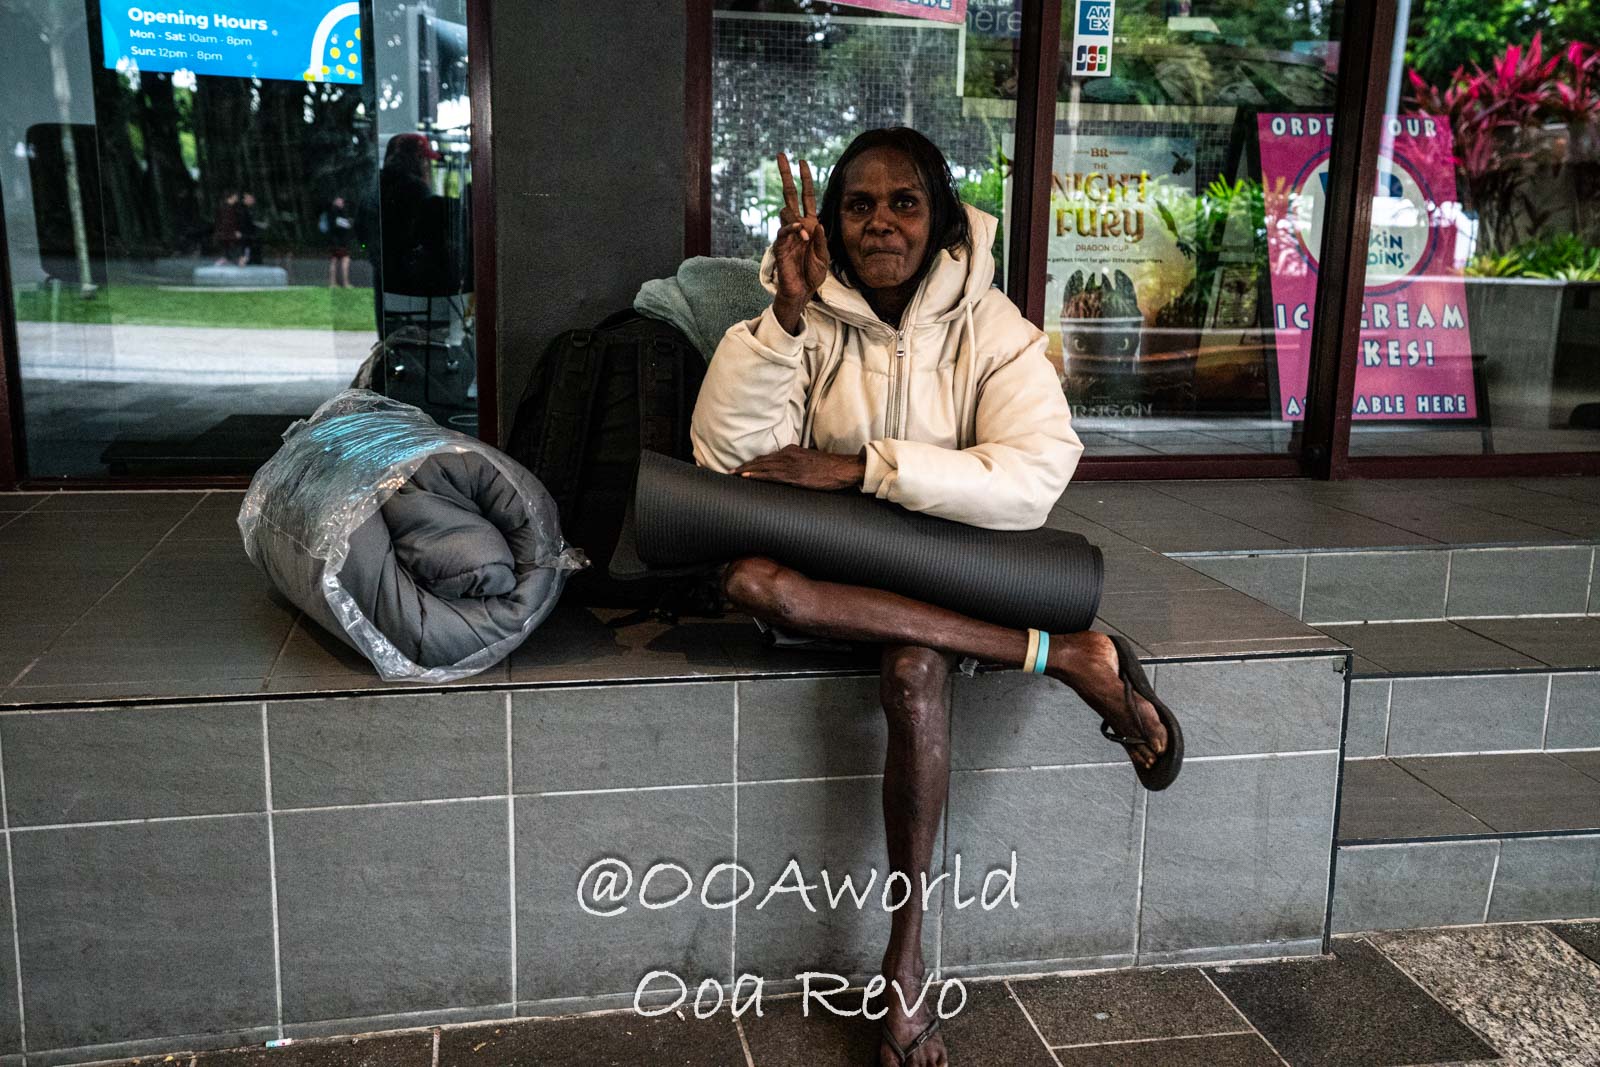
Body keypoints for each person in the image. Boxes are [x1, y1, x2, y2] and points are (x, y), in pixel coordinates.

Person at [690, 128, 1182, 1067]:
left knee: (917, 673)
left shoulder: (990, 326)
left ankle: (906, 963)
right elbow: (725, 458)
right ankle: (1064, 653)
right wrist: (784, 318)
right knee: (752, 581)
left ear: (943, 217)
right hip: (838, 580)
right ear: (830, 226)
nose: (881, 222)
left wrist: (860, 471)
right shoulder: (801, 316)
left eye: (903, 202)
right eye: (859, 205)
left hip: (949, 577)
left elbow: (1035, 473)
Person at [322, 195, 355, 288]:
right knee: (345, 260)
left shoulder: (330, 212)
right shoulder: (336, 213)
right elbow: (344, 225)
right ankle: (345, 283)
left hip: (334, 242)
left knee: (334, 261)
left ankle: (332, 283)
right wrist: (349, 223)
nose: (342, 203)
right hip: (339, 242)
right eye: (340, 202)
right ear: (335, 202)